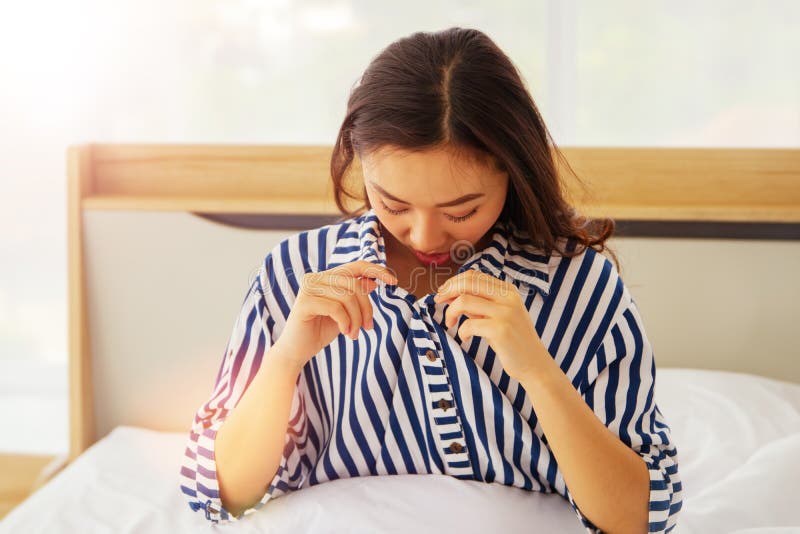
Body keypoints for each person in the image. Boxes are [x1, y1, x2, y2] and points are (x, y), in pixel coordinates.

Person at [179, 27, 683, 534]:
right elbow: (223, 497)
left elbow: (637, 520)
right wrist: (286, 359)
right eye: (393, 204)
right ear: (359, 166)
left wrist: (538, 373)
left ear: (514, 172)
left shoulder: (582, 288)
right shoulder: (294, 274)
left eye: (461, 210)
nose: (424, 235)